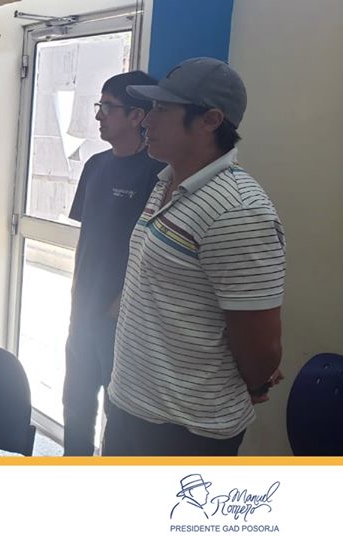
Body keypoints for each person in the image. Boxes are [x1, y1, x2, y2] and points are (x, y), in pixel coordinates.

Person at [102, 58, 286, 456]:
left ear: (210, 120)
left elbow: (261, 350)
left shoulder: (238, 211)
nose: (147, 120)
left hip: (184, 429)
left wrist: (255, 381)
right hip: (131, 405)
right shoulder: (168, 181)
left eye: (162, 110)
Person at [63, 71, 166, 456]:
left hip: (123, 322)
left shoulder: (158, 174)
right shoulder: (95, 165)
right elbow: (89, 236)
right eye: (99, 106)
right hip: (82, 311)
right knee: (75, 406)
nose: (98, 116)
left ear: (137, 116)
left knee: (119, 419)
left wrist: (119, 304)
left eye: (108, 107)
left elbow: (155, 255)